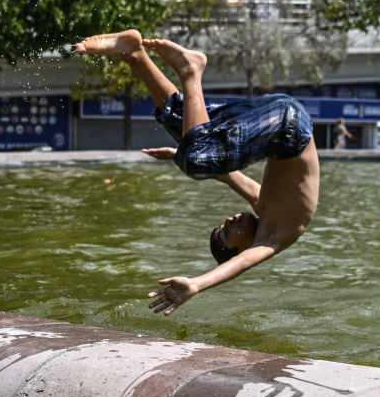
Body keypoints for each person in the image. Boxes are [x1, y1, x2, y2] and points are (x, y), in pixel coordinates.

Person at [74, 29, 319, 316]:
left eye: (225, 226)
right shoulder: (276, 236)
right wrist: (197, 284)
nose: (229, 220)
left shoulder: (264, 207)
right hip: (288, 125)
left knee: (182, 123)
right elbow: (241, 264)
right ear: (240, 248)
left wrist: (178, 153)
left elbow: (229, 176)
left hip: (280, 114)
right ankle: (191, 71)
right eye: (230, 232)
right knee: (198, 158)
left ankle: (134, 55)